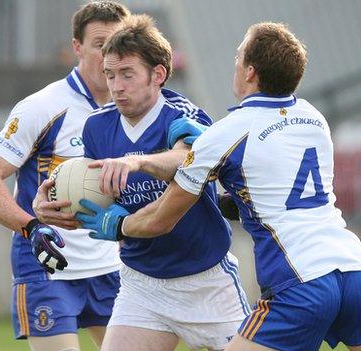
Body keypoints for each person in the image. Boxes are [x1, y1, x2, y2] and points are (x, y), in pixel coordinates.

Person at [80, 22, 361, 351]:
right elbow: (269, 197)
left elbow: (160, 219)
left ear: (251, 72)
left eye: (238, 57)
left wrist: (120, 225)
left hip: (299, 281)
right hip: (354, 270)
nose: (234, 64)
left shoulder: (227, 133)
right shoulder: (313, 119)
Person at [61, 14, 250, 351]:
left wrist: (137, 161)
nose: (116, 86)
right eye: (109, 75)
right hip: (142, 285)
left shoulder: (184, 116)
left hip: (206, 282)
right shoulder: (97, 128)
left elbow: (187, 160)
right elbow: (102, 196)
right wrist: (56, 201)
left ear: (158, 74)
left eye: (127, 74)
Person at [0, 2, 130, 350]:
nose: (109, 55)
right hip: (48, 266)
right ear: (76, 47)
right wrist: (31, 227)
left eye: (117, 44)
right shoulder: (42, 107)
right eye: (100, 44)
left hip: (111, 268)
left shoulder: (130, 110)